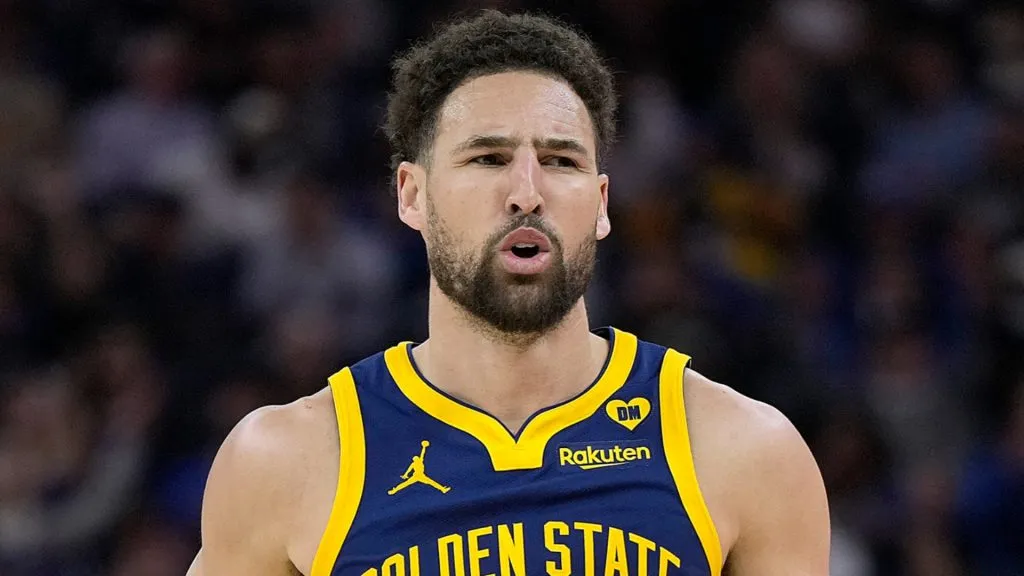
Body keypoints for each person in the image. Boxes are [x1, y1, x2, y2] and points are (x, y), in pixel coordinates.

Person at [187, 11, 830, 576]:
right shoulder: (286, 461)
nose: (527, 190)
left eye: (561, 161)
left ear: (601, 204)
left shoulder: (741, 450)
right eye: (488, 158)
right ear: (412, 194)